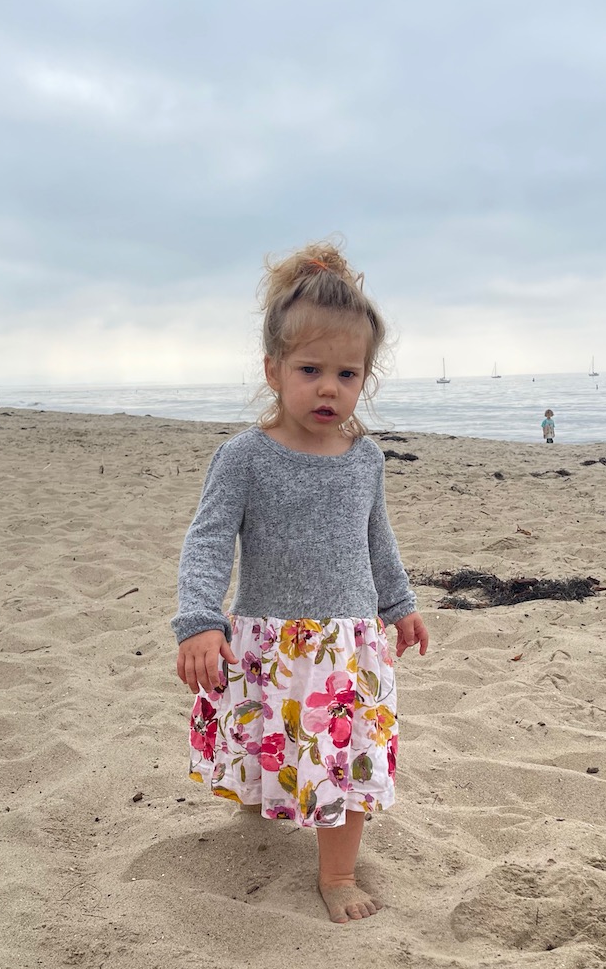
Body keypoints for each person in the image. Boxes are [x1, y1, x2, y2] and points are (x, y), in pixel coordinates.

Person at [172, 240, 429, 924]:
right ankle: (263, 804)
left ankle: (338, 873)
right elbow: (206, 540)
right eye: (310, 369)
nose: (328, 388)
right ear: (273, 369)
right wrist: (199, 617)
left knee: (342, 765)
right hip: (267, 638)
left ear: (365, 378)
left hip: (345, 648)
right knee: (269, 744)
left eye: (347, 373)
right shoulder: (244, 458)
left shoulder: (365, 458)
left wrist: (399, 603)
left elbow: (377, 539)